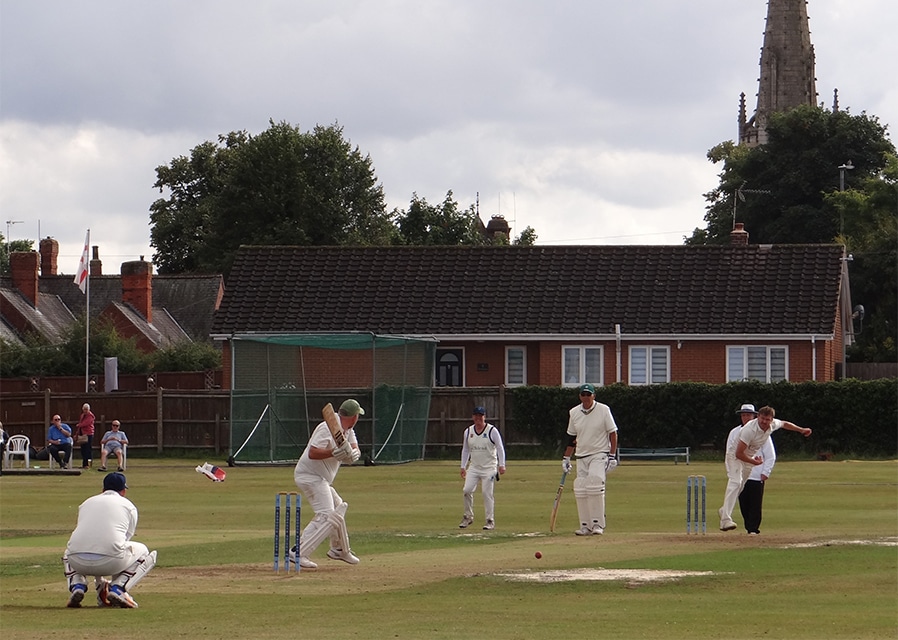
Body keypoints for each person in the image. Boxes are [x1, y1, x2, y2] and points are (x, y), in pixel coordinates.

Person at [63, 472, 157, 608]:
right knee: (143, 551)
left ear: (102, 490)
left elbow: (91, 536)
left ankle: (77, 585)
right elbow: (124, 539)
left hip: (77, 561)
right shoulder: (128, 506)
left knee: (71, 549)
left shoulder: (86, 503)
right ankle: (118, 588)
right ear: (123, 491)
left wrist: (99, 583)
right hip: (111, 560)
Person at [289, 399, 363, 569]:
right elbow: (313, 453)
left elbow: (353, 446)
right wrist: (333, 452)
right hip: (309, 475)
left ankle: (339, 549)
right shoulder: (327, 427)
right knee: (326, 515)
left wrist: (354, 454)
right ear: (354, 416)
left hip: (322, 478)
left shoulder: (348, 429)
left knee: (338, 507)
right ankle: (298, 552)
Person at [719, 405, 811, 531]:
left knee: (741, 486)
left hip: (749, 457)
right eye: (762, 419)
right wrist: (754, 462)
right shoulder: (749, 430)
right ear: (758, 417)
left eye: (767, 419)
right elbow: (738, 453)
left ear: (771, 419)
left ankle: (724, 509)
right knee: (736, 482)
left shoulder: (772, 424)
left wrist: (801, 430)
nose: (764, 422)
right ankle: (725, 520)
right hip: (734, 456)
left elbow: (784, 424)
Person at [561, 383, 619, 536]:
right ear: (580, 396)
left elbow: (613, 433)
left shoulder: (603, 410)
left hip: (599, 454)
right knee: (581, 488)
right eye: (583, 394)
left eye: (589, 394)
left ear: (594, 396)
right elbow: (572, 438)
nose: (586, 397)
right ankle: (585, 525)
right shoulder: (574, 412)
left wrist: (612, 456)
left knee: (594, 484)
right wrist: (566, 458)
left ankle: (598, 524)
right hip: (581, 456)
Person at [725, 404, 776, 534]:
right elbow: (729, 454)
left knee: (755, 504)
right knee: (743, 503)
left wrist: (766, 472)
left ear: (754, 416)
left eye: (748, 415)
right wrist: (730, 472)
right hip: (739, 472)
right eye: (743, 415)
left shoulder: (764, 431)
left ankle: (753, 529)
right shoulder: (734, 432)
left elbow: (770, 455)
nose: (745, 417)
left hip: (757, 474)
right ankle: (747, 527)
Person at [458, 406, 507, 530]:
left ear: (484, 417)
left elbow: (500, 448)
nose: (478, 418)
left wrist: (502, 465)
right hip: (474, 466)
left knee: (486, 493)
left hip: (489, 468)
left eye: (481, 416)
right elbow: (465, 450)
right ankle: (468, 517)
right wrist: (463, 466)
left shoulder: (492, 431)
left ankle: (490, 520)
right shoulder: (468, 432)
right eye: (476, 416)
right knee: (467, 490)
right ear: (473, 417)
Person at [75, 403, 96, 469]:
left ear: (89, 409)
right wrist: (77, 433)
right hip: (82, 434)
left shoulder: (91, 416)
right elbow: (80, 426)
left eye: (86, 409)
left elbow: (86, 423)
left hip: (88, 434)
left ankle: (88, 464)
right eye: (84, 409)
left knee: (88, 449)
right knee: (83, 449)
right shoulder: (82, 415)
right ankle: (84, 464)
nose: (85, 411)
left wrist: (79, 425)